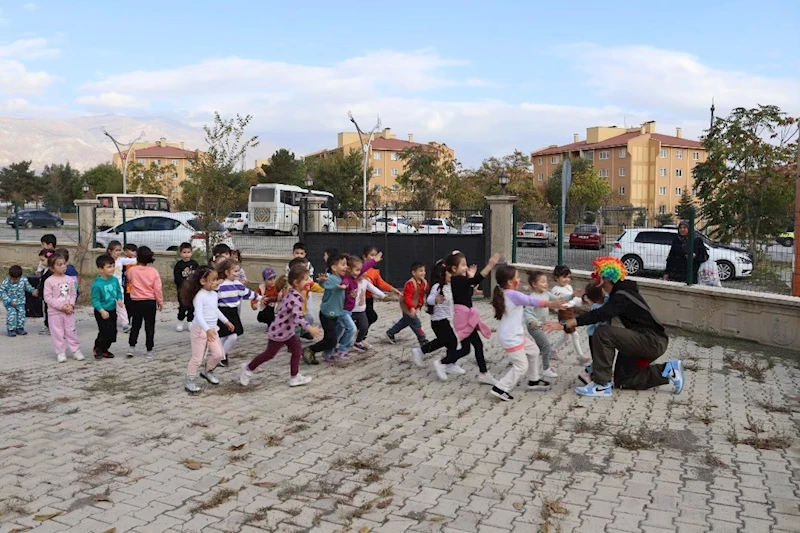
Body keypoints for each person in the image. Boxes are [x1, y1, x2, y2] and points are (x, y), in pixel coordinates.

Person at [544, 257, 685, 398]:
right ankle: (668, 370)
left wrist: (566, 323)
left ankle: (602, 385)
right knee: (624, 379)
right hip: (641, 338)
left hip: (652, 341)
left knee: (603, 333)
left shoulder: (622, 296)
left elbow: (599, 315)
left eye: (598, 276)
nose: (596, 280)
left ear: (606, 278)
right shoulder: (620, 293)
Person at [240, 264, 323, 388]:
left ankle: (294, 377)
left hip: (288, 331)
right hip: (279, 332)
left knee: (297, 351)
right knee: (269, 354)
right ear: (296, 282)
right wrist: (309, 328)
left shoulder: (295, 293)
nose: (309, 281)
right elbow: (298, 318)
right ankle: (247, 369)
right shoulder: (295, 298)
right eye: (306, 279)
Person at [490, 265, 564, 401]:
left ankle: (533, 380)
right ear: (510, 282)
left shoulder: (503, 292)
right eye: (517, 277)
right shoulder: (513, 295)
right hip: (511, 338)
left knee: (534, 350)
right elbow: (531, 301)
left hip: (515, 335)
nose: (519, 280)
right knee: (521, 366)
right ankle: (501, 388)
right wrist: (551, 304)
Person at [433, 252, 501, 384]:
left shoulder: (459, 281)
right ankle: (442, 362)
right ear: (454, 269)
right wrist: (490, 265)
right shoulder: (457, 279)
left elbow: (467, 294)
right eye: (463, 265)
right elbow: (477, 280)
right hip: (463, 318)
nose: (466, 267)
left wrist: (471, 281)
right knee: (472, 346)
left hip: (464, 316)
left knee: (469, 348)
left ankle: (483, 373)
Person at [181, 266, 234, 393]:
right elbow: (198, 316)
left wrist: (226, 321)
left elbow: (215, 310)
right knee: (197, 358)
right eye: (213, 280)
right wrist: (206, 329)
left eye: (217, 279)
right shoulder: (199, 296)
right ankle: (190, 379)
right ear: (203, 281)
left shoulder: (214, 295)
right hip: (200, 330)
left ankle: (207, 371)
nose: (217, 282)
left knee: (219, 354)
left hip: (212, 329)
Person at [304, 253, 348, 364]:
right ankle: (310, 350)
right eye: (343, 264)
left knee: (331, 338)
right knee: (331, 340)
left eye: (346, 264)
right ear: (334, 267)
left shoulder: (340, 278)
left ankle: (317, 351)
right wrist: (323, 281)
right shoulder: (333, 279)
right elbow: (325, 284)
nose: (346, 267)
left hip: (334, 314)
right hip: (327, 314)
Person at [216, 258, 260, 366]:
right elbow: (212, 298)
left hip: (233, 312)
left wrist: (260, 298)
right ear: (226, 272)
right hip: (222, 312)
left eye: (238, 270)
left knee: (229, 336)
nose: (238, 273)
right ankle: (221, 356)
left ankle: (220, 356)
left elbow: (247, 293)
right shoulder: (220, 285)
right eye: (235, 271)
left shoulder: (237, 284)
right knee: (227, 336)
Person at [411, 260, 455, 367]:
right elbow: (429, 299)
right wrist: (436, 300)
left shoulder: (449, 285)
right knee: (450, 341)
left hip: (444, 319)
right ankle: (447, 363)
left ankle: (450, 363)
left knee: (446, 341)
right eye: (449, 272)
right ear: (442, 274)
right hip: (438, 321)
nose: (453, 275)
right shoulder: (437, 287)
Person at [337, 253, 381, 358]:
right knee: (350, 329)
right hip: (344, 310)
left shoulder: (355, 275)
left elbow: (364, 267)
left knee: (340, 329)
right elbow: (345, 282)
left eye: (359, 270)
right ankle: (341, 349)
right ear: (348, 269)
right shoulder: (347, 278)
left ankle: (335, 345)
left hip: (349, 309)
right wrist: (343, 286)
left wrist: (374, 261)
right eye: (357, 270)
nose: (360, 272)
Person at [43, 253, 84, 362]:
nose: (63, 267)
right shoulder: (49, 281)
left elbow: (73, 293)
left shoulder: (69, 279)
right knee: (58, 333)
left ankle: (76, 350)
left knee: (71, 331)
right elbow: (48, 298)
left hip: (69, 312)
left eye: (64, 264)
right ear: (52, 268)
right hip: (55, 313)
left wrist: (71, 305)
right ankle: (60, 352)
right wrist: (61, 307)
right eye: (59, 265)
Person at [125, 246, 163, 358]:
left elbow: (128, 279)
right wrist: (160, 301)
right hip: (150, 302)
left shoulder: (131, 271)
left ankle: (131, 347)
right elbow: (158, 288)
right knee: (150, 326)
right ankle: (149, 350)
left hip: (136, 301)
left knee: (135, 325)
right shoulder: (154, 272)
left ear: (137, 257)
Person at [523, 271, 561, 379]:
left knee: (541, 348)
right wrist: (531, 321)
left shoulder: (546, 294)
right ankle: (546, 369)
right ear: (534, 284)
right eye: (543, 282)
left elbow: (558, 299)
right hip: (534, 327)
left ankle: (526, 358)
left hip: (542, 326)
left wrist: (572, 296)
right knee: (546, 346)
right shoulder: (532, 297)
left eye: (546, 281)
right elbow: (527, 312)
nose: (546, 284)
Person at [550, 265, 589, 365]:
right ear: (556, 278)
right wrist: (572, 296)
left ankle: (552, 350)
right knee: (575, 335)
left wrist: (583, 301)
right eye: (564, 277)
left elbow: (574, 301)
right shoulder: (555, 289)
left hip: (570, 313)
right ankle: (581, 356)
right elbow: (561, 299)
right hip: (563, 314)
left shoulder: (569, 287)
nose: (566, 279)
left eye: (568, 277)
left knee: (566, 336)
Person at [386, 262, 429, 346]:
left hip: (414, 307)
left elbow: (428, 290)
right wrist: (411, 307)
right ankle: (423, 340)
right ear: (413, 273)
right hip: (407, 307)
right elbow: (407, 297)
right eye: (420, 271)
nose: (423, 273)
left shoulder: (424, 282)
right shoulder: (411, 283)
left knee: (405, 321)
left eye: (424, 271)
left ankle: (390, 332)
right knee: (416, 324)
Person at [362, 245, 401, 331]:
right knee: (368, 317)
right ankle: (358, 332)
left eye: (375, 255)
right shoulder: (360, 270)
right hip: (359, 298)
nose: (374, 258)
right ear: (364, 257)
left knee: (371, 317)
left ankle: (361, 334)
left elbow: (381, 283)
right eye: (371, 255)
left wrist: (394, 290)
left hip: (368, 299)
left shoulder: (375, 272)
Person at [91, 254, 123, 359]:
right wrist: (101, 310)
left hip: (112, 310)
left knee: (112, 332)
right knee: (104, 332)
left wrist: (119, 299)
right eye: (109, 267)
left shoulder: (114, 280)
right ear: (101, 269)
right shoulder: (97, 285)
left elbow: (119, 291)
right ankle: (98, 348)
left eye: (113, 266)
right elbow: (95, 300)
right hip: (102, 311)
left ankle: (105, 349)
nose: (112, 269)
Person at [578, 282, 610, 385]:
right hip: (595, 336)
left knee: (598, 357)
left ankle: (589, 371)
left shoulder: (605, 301)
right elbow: (600, 322)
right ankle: (588, 375)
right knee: (598, 357)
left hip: (596, 335)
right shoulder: (596, 308)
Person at [352, 267, 386, 352]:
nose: (364, 274)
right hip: (351, 310)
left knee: (364, 326)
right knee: (348, 328)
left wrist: (383, 295)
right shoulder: (351, 282)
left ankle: (358, 342)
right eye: (361, 272)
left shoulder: (365, 282)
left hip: (361, 310)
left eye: (365, 272)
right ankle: (340, 344)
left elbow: (373, 289)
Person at [107, 241, 137, 334]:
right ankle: (109, 323)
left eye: (120, 250)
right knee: (109, 306)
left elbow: (133, 261)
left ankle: (125, 324)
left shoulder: (121, 260)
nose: (118, 252)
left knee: (121, 305)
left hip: (118, 288)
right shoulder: (106, 261)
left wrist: (143, 256)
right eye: (116, 250)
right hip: (107, 288)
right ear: (110, 251)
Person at [1, 265, 37, 336]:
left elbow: (28, 287)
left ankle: (19, 328)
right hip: (10, 303)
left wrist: (33, 291)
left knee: (21, 314)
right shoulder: (6, 282)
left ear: (20, 277)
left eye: (16, 279)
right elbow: (2, 292)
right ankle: (11, 329)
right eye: (12, 279)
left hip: (20, 302)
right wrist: (9, 301)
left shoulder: (24, 281)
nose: (14, 281)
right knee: (12, 314)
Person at [174, 243, 199, 332]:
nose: (186, 254)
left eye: (188, 252)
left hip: (192, 290)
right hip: (182, 290)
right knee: (182, 306)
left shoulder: (194, 264)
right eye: (184, 252)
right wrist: (183, 285)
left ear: (191, 253)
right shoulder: (179, 265)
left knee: (192, 306)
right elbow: (177, 278)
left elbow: (197, 276)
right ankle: (180, 320)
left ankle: (190, 321)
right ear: (181, 253)